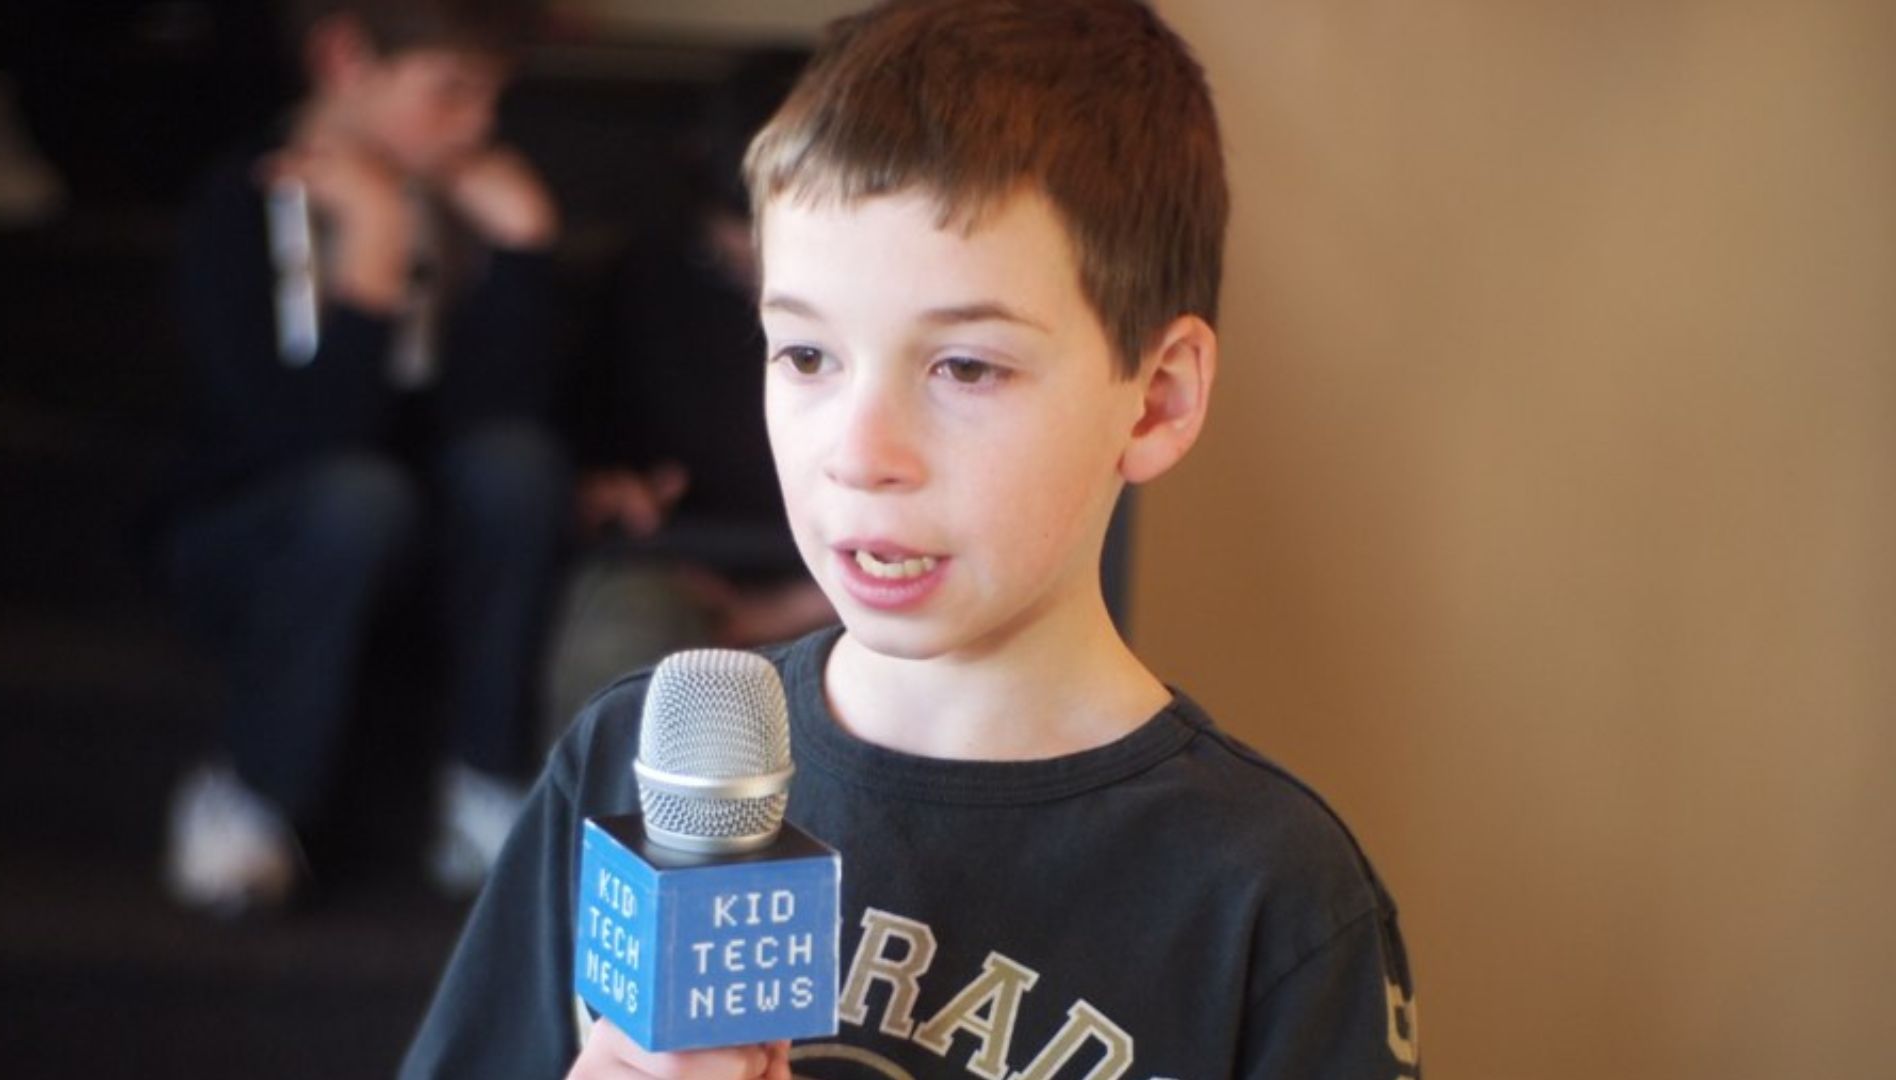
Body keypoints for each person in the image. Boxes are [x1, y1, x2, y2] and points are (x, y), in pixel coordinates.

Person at [401, 1, 1421, 1076]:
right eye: (804, 356)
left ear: (1157, 399)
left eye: (965, 367)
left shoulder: (1271, 898)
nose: (861, 452)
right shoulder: (630, 766)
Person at [160, 0, 566, 915]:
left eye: (490, 96)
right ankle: (255, 794)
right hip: (257, 527)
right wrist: (373, 263)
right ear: (345, 57)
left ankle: (486, 782)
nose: (478, 126)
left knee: (515, 468)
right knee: (356, 494)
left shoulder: (462, 201)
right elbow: (291, 441)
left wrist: (523, 254)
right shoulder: (237, 202)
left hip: (414, 529)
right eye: (449, 92)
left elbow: (505, 424)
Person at [546, 48, 833, 748]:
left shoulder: (882, 302)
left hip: (843, 574)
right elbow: (590, 432)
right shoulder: (649, 276)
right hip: (680, 561)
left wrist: (786, 610)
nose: (756, 277)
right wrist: (608, 489)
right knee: (619, 643)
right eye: (737, 251)